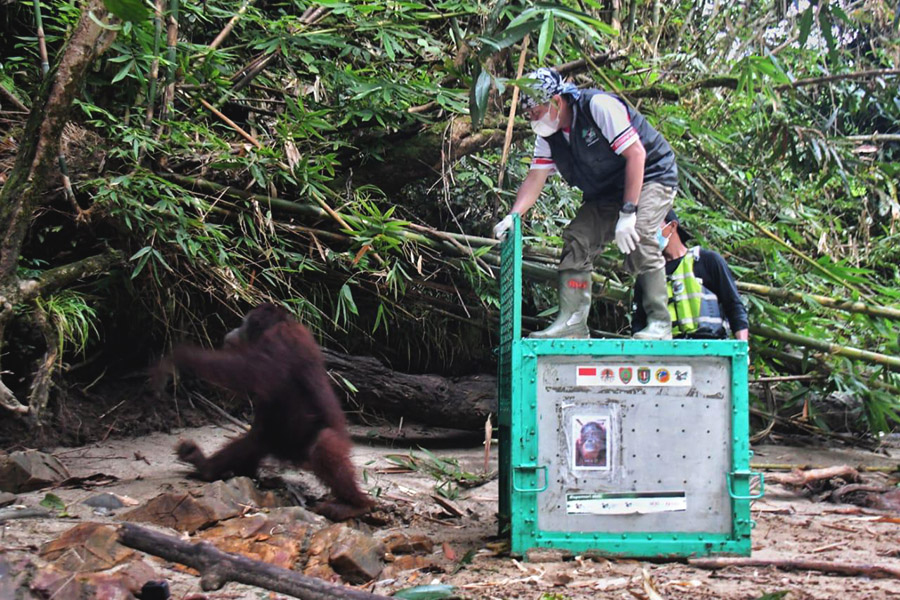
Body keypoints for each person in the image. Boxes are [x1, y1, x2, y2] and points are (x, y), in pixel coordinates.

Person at [493, 67, 678, 340]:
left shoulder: (598, 107)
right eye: (529, 115)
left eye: (536, 112)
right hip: (606, 193)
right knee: (578, 238)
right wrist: (514, 216)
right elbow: (535, 177)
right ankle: (572, 323)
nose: (532, 120)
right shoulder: (549, 136)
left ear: (556, 101)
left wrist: (628, 213)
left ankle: (660, 324)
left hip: (651, 175)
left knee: (640, 232)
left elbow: (637, 154)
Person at [632, 210, 749, 340]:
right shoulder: (648, 275)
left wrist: (742, 350)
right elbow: (639, 323)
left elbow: (734, 306)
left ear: (672, 226)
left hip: (711, 349)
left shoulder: (707, 261)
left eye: (653, 226)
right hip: (667, 354)